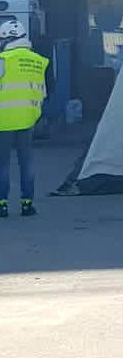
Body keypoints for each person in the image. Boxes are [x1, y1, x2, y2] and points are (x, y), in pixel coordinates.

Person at [0, 20, 48, 217]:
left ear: (7, 39)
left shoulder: (3, 60)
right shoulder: (38, 61)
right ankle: (27, 204)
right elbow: (43, 92)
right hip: (28, 120)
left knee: (3, 164)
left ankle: (2, 205)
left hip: (3, 120)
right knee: (26, 163)